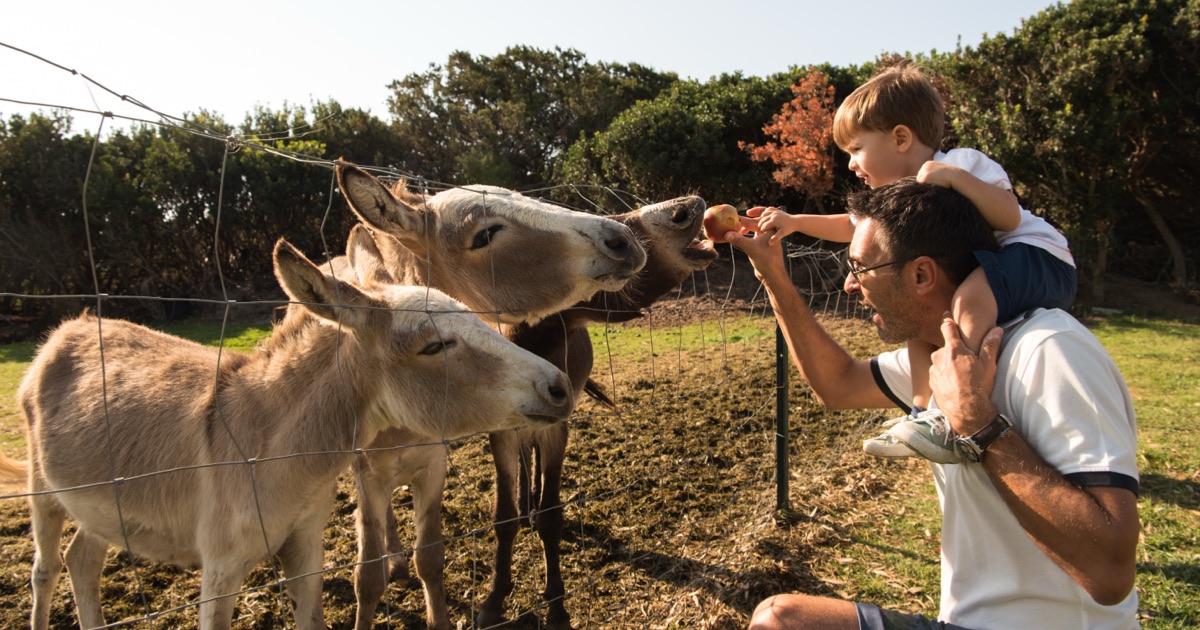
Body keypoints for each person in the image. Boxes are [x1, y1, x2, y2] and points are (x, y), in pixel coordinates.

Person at [726, 179, 1140, 630]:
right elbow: (838, 385)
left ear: (921, 275)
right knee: (778, 619)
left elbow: (1109, 573)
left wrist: (977, 422)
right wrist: (773, 277)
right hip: (964, 623)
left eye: (861, 268)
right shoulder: (943, 360)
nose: (849, 285)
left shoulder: (1049, 351)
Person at [756, 60, 1077, 464]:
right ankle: (923, 415)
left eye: (856, 149)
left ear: (901, 138)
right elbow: (852, 225)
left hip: (1038, 255)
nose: (851, 164)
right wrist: (794, 222)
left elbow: (1009, 216)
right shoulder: (898, 198)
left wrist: (955, 181)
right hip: (992, 266)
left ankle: (964, 396)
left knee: (970, 299)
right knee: (915, 323)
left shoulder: (959, 163)